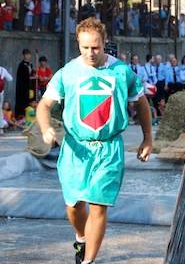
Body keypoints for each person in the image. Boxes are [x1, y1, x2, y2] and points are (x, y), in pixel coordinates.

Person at [37, 17, 152, 264]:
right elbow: (44, 105)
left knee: (98, 206)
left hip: (109, 147)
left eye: (96, 47)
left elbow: (141, 104)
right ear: (78, 43)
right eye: (85, 47)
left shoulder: (122, 72)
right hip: (76, 148)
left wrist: (147, 138)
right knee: (74, 206)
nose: (91, 53)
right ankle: (81, 237)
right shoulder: (67, 73)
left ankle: (88, 261)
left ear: (104, 43)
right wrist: (46, 128)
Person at [15, 49, 36, 117]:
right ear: (23, 55)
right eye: (26, 55)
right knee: (23, 102)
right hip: (23, 88)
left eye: (28, 54)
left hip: (30, 87)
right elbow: (23, 77)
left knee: (31, 100)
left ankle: (30, 116)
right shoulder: (21, 65)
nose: (27, 56)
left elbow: (32, 74)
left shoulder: (30, 65)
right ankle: (22, 116)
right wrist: (32, 77)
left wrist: (34, 75)